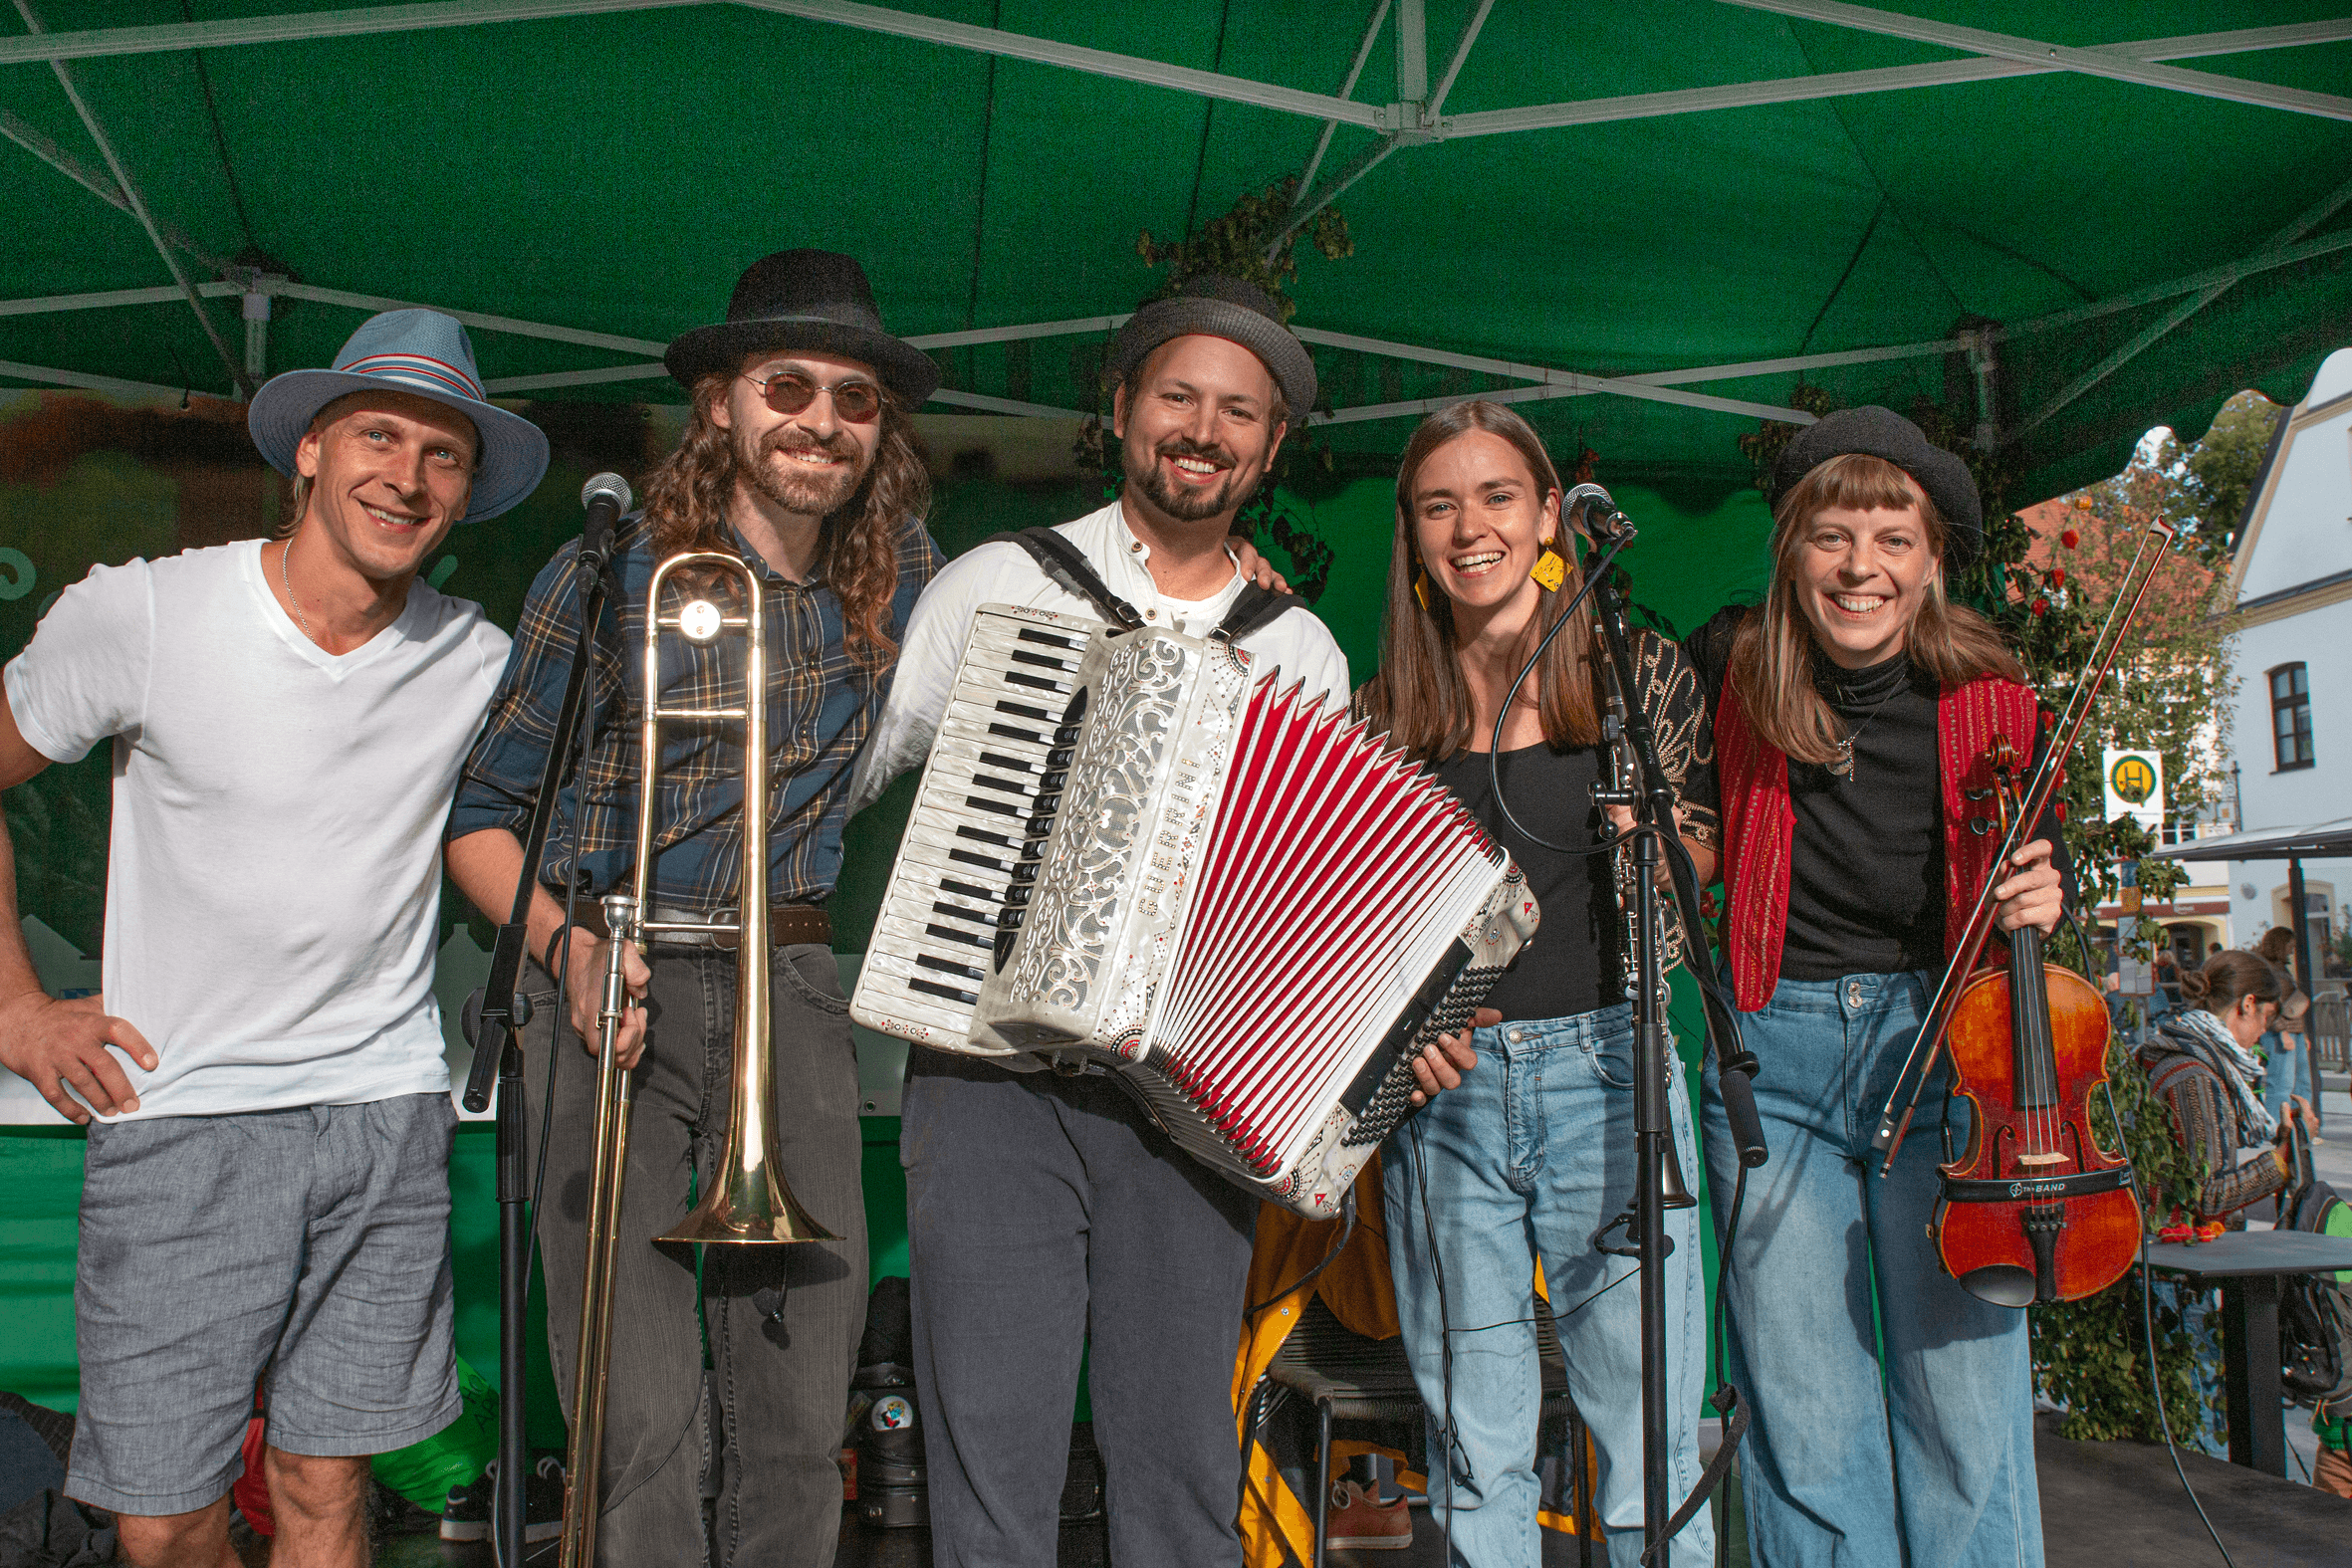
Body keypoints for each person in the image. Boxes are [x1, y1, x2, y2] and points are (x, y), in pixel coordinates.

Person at [848, 275, 1472, 1567]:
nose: (1203, 427)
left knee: (1181, 1455)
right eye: (1178, 395)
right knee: (991, 1448)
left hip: (1182, 1107)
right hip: (983, 1074)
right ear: (1121, 407)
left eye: (1237, 411)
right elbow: (857, 781)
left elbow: (1299, 902)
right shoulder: (997, 582)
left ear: (1269, 445)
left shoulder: (1292, 645)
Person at [0, 310, 548, 1568]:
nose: (404, 477)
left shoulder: (478, 662)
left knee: (321, 1485)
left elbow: (488, 843)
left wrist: (572, 946)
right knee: (165, 1514)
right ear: (309, 449)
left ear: (466, 492)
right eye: (376, 435)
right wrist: (20, 1012)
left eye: (442, 455)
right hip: (182, 1117)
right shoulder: (144, 613)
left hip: (384, 1119)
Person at [444, 250, 941, 1567]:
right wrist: (569, 948)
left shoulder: (906, 584)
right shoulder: (607, 569)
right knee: (636, 1412)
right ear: (719, 401)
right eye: (788, 386)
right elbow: (480, 817)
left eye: (855, 398)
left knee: (796, 1412)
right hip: (611, 977)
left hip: (792, 982)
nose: (820, 420)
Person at [1682, 406, 2066, 1568]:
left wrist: (2047, 899)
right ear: (1791, 552)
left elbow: (2038, 899)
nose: (1862, 568)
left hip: (1947, 1061)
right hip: (1773, 1060)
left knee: (1963, 1410)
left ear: (1931, 561)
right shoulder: (1730, 673)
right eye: (1833, 537)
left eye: (1892, 539)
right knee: (1803, 1418)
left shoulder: (1998, 705)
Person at [1356, 400, 1719, 1565]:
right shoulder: (1382, 719)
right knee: (1476, 1451)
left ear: (1551, 513)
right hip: (1447, 1103)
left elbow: (1702, 856)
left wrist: (1651, 839)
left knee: (1648, 1448)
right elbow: (1351, 937)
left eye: (1497, 496)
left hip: (1611, 1072)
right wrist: (1402, 1037)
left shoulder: (1630, 672)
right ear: (1411, 535)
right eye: (1438, 505)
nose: (1471, 526)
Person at [2140, 951, 2310, 1225]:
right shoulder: (2195, 1075)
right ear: (2248, 1004)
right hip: (2180, 1250)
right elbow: (2208, 1197)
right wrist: (2283, 1158)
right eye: (2267, 1016)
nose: (2264, 1029)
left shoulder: (2190, 1054)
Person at [2255, 926, 2320, 1136]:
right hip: (2280, 1032)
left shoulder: (2282, 969)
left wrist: (2304, 1034)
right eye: (2289, 946)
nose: (2292, 951)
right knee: (2281, 1083)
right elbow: (2268, 1002)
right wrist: (2279, 1028)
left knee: (2302, 1082)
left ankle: (2303, 1125)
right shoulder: (2267, 970)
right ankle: (2275, 1128)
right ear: (2279, 945)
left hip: (2294, 1030)